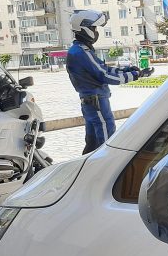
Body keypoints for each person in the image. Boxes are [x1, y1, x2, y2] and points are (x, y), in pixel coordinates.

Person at [66, 10, 154, 154]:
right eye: (94, 28)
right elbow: (105, 75)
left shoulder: (78, 50)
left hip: (90, 102)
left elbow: (103, 69)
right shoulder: (82, 52)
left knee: (92, 144)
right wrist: (136, 75)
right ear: (85, 28)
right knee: (107, 143)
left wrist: (127, 70)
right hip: (97, 102)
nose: (96, 32)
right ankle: (105, 168)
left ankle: (90, 168)